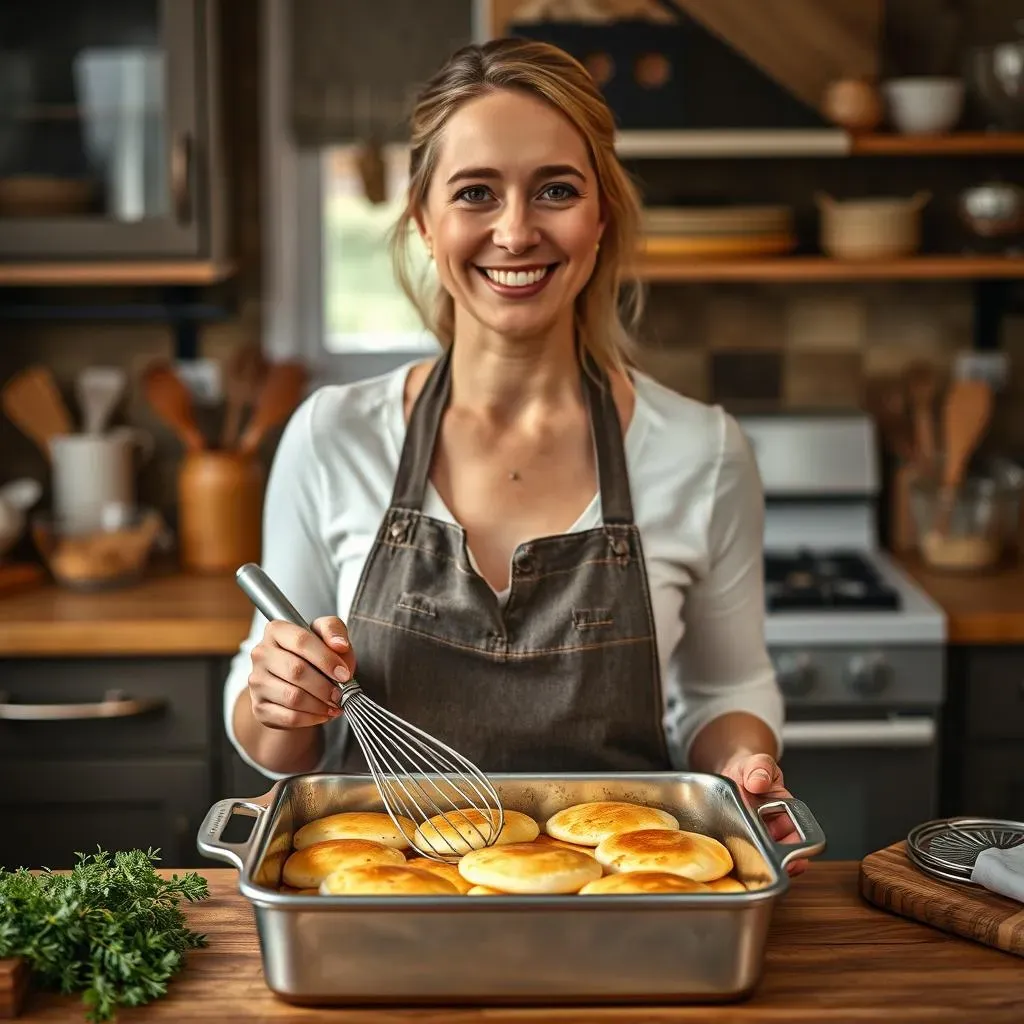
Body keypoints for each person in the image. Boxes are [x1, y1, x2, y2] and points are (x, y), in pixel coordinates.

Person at [223, 37, 805, 871]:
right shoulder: (332, 435)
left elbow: (727, 692)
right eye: (475, 193)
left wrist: (742, 771)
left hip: (622, 902)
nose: (516, 230)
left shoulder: (702, 452)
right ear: (424, 221)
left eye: (556, 190)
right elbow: (272, 746)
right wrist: (276, 703)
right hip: (380, 899)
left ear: (600, 216)